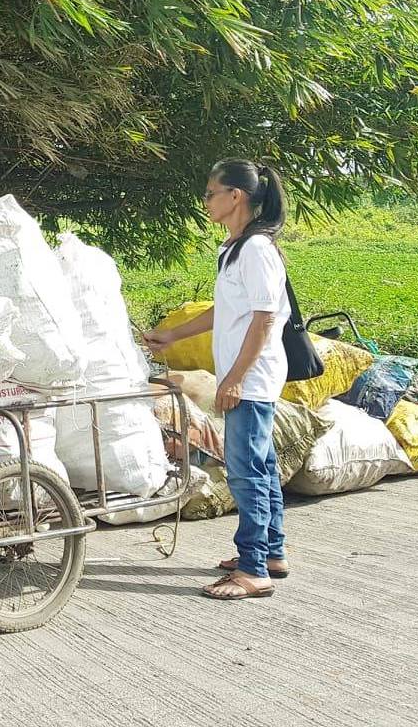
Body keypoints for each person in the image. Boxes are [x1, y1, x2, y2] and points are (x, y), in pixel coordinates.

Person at [144, 159, 293, 601]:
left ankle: (252, 569)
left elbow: (265, 319)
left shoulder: (257, 250)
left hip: (252, 378)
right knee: (260, 466)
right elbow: (225, 311)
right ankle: (271, 553)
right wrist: (173, 334)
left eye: (212, 193)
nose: (206, 201)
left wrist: (234, 379)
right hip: (245, 376)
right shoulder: (234, 248)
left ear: (236, 196)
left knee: (246, 471)